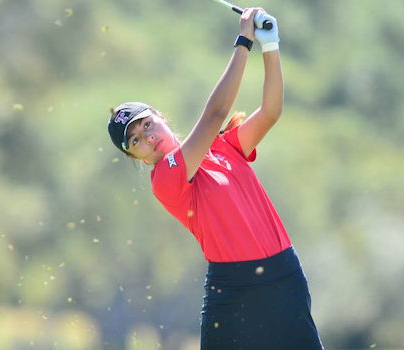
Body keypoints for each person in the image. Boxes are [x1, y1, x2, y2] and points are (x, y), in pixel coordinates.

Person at [107, 7, 324, 350]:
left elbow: (271, 111)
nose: (147, 137)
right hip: (232, 290)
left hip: (283, 276)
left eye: (147, 124)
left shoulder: (225, 145)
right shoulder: (165, 179)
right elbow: (215, 114)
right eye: (135, 140)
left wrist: (271, 47)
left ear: (161, 117)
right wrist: (244, 40)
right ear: (136, 157)